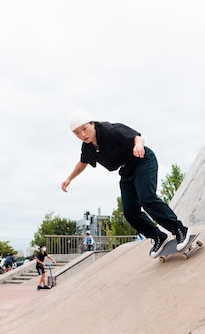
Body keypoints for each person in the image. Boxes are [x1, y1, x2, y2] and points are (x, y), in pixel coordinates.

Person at [61, 110, 193, 258]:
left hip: (142, 160)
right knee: (130, 211)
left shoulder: (109, 130)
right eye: (77, 133)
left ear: (92, 123)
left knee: (147, 199)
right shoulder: (87, 147)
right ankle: (157, 237)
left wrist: (138, 146)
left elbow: (137, 138)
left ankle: (179, 229)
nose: (82, 135)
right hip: (126, 170)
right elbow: (83, 162)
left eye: (84, 129)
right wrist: (69, 179)